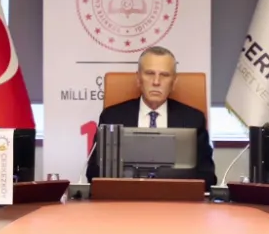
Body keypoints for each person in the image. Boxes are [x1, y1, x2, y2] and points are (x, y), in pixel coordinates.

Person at [86, 46, 216, 189]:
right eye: (149, 73)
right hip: (126, 197)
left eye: (164, 75)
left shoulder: (193, 120)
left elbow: (208, 177)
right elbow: (93, 173)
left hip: (174, 199)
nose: (156, 82)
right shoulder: (112, 117)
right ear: (138, 78)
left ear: (174, 82)